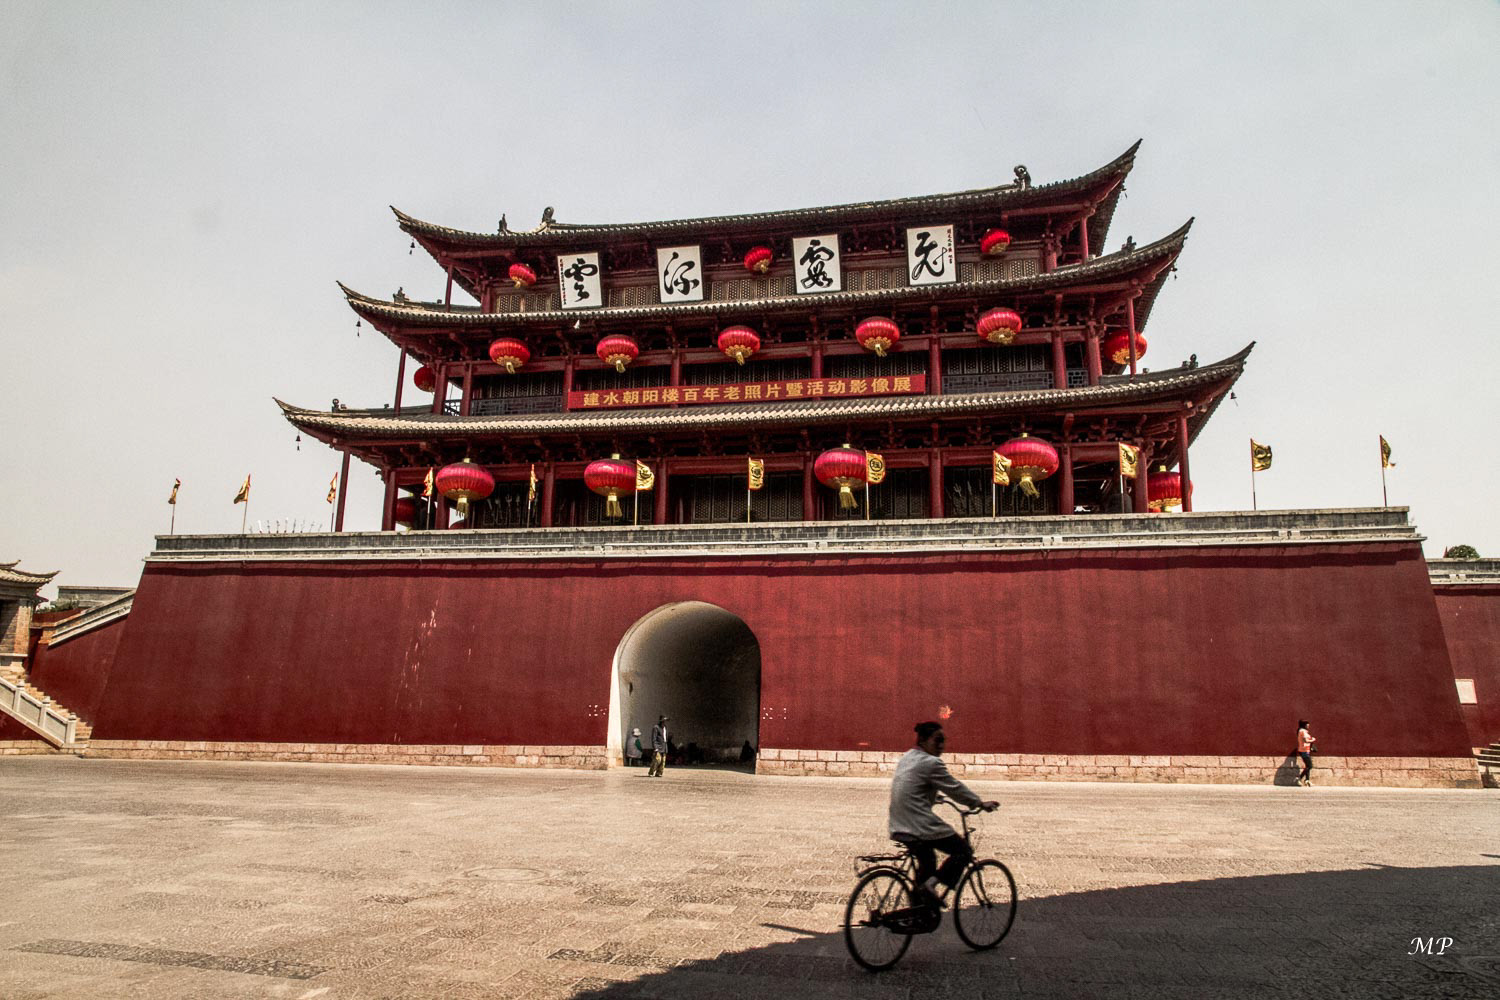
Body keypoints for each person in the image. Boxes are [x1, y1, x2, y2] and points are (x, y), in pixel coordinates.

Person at [889, 721, 998, 910]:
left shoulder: (907, 757)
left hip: (898, 824)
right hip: (917, 825)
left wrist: (932, 796)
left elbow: (913, 785)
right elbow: (955, 788)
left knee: (927, 861)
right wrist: (978, 803)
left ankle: (918, 910)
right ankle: (931, 886)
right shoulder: (932, 762)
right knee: (963, 851)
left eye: (943, 741)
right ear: (923, 740)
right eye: (937, 741)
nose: (942, 746)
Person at [1296, 719, 1317, 786]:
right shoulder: (1303, 731)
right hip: (1304, 751)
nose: (1308, 726)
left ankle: (1307, 780)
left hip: (1305, 750)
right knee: (1310, 766)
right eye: (1307, 725)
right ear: (1304, 725)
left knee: (1307, 766)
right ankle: (1299, 778)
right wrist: (1313, 740)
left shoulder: (1302, 731)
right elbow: (1305, 741)